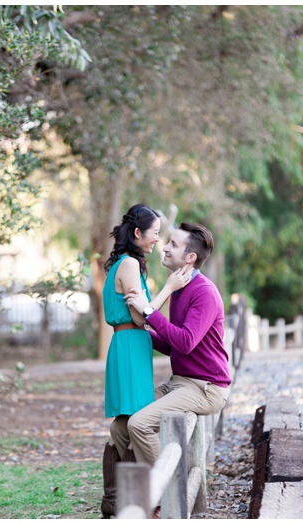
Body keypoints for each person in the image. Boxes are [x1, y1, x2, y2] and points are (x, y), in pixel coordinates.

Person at [115, 221, 231, 471]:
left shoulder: (204, 292)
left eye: (173, 244)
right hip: (178, 382)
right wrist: (139, 332)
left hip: (205, 388)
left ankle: (165, 496)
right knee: (121, 424)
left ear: (190, 257)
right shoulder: (179, 289)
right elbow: (172, 345)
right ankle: (123, 495)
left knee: (140, 424)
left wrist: (148, 310)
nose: (164, 248)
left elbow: (185, 343)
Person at [100, 203, 192, 518]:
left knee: (129, 421)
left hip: (133, 345)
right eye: (154, 233)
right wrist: (169, 288)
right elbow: (141, 317)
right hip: (129, 344)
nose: (157, 240)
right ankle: (143, 498)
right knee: (133, 419)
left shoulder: (129, 265)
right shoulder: (127, 265)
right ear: (138, 233)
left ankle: (121, 499)